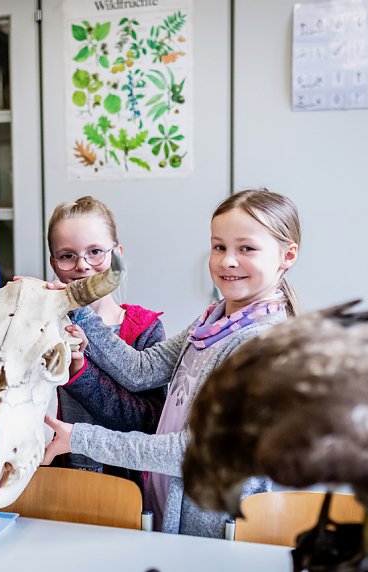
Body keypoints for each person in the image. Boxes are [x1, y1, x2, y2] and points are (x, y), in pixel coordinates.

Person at [43, 188, 301, 537]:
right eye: (219, 246)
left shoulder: (262, 345)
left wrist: (81, 439)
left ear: (287, 255)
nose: (228, 261)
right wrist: (76, 306)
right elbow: (140, 370)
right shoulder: (213, 321)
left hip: (220, 531)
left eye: (247, 248)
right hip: (179, 510)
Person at [47, 196, 166, 487]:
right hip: (57, 476)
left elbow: (148, 423)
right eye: (67, 255)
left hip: (127, 486)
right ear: (53, 262)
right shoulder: (43, 327)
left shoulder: (145, 329)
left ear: (118, 253)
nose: (83, 265)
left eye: (96, 252)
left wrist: (80, 372)